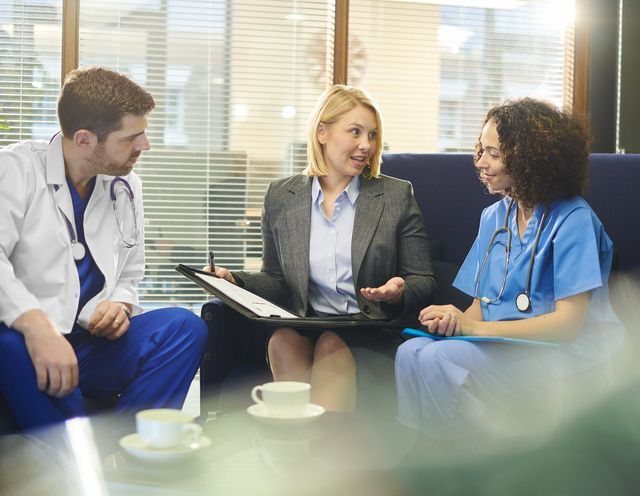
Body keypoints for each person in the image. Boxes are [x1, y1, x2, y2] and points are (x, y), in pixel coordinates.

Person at [395, 98, 624, 440]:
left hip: (570, 358)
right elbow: (481, 306)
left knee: (438, 359)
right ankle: (422, 451)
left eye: (495, 154)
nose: (481, 163)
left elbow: (567, 325)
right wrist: (455, 319)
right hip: (509, 348)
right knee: (410, 352)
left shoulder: (574, 219)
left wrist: (472, 329)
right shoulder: (494, 217)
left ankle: (453, 459)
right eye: (480, 150)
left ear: (531, 160)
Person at [0, 66, 208, 430]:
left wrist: (120, 303)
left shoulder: (126, 185)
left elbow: (130, 273)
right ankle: (72, 467)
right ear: (84, 140)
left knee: (185, 327)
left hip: (88, 340)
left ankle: (127, 446)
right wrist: (38, 328)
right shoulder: (15, 169)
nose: (145, 145)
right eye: (132, 137)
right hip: (26, 337)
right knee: (10, 344)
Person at [207, 85, 436, 412]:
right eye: (355, 132)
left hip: (368, 328)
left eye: (372, 135)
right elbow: (276, 278)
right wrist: (234, 279)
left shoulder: (396, 196)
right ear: (322, 132)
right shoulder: (280, 196)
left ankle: (323, 453)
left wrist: (397, 292)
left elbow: (422, 279)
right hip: (306, 322)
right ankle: (297, 447)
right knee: (282, 341)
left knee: (332, 346)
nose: (366, 146)